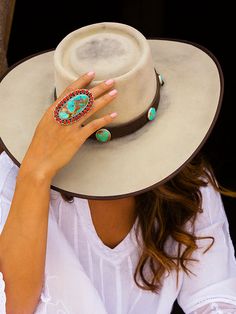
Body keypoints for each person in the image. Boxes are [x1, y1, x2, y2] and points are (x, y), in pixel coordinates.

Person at [0, 22, 236, 314]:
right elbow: (14, 307)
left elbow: (214, 298)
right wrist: (35, 174)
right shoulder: (14, 176)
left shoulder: (188, 180)